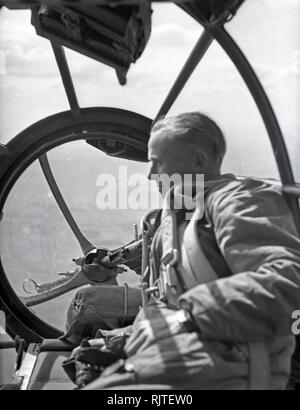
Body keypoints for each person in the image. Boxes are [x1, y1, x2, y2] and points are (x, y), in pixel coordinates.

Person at [65, 112, 300, 390]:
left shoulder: (239, 202)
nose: (150, 174)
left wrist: (186, 317)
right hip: (196, 353)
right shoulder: (181, 212)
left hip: (230, 364)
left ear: (197, 161)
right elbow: (174, 286)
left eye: (157, 163)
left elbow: (287, 281)